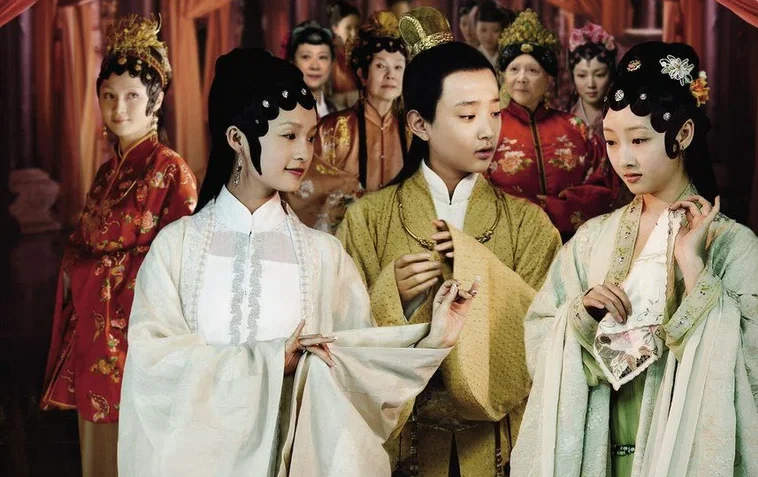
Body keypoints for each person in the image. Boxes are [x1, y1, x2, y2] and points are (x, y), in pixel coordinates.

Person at [117, 47, 478, 477]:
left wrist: (433, 339)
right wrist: (271, 362)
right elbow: (152, 369)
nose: (305, 153)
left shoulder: (323, 255)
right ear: (237, 139)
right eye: (289, 136)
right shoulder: (176, 248)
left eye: (310, 137)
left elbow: (360, 374)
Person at [511, 41, 758, 477]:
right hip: (596, 455)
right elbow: (539, 336)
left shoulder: (734, 245)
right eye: (611, 141)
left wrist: (695, 270)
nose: (623, 157)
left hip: (678, 456)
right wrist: (579, 318)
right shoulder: (591, 240)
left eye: (640, 139)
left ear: (683, 134)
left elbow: (751, 367)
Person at [336, 7, 562, 476]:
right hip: (403, 448)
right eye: (467, 114)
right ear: (420, 124)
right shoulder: (368, 220)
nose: (488, 130)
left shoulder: (530, 226)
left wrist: (476, 266)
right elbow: (340, 341)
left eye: (494, 112)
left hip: (498, 447)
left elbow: (546, 339)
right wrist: (391, 298)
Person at [40, 15, 197, 477]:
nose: (118, 107)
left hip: (138, 337)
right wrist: (79, 263)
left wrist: (95, 270)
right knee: (97, 454)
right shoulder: (108, 172)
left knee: (138, 451)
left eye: (132, 96)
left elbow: (179, 261)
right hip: (96, 333)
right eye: (109, 95)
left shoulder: (171, 170)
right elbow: (83, 242)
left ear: (156, 101)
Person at [488, 9, 614, 241]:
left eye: (532, 70)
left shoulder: (576, 128)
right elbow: (477, 190)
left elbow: (603, 187)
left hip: (572, 243)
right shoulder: (489, 128)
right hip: (509, 243)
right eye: (514, 69)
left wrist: (552, 210)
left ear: (549, 79)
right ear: (503, 75)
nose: (521, 78)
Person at [286, 11, 408, 232]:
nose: (391, 75)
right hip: (344, 239)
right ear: (362, 73)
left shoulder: (412, 133)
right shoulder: (331, 129)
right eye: (381, 66)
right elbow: (302, 184)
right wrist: (351, 193)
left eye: (398, 67)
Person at [568, 21, 617, 143]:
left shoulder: (621, 116)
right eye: (582, 75)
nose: (591, 84)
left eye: (599, 75)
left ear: (610, 75)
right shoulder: (565, 116)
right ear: (573, 76)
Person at [287, 21, 337, 119]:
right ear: (292, 61)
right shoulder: (282, 111)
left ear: (332, 63)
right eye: (306, 57)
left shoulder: (340, 111)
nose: (315, 66)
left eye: (322, 57)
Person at [328, 0, 361, 109]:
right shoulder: (329, 55)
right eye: (348, 28)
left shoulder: (362, 51)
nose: (354, 33)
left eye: (357, 27)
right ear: (335, 28)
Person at [475, 0, 514, 68]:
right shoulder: (471, 57)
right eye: (483, 30)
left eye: (495, 31)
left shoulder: (508, 57)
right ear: (476, 29)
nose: (488, 36)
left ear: (502, 31)